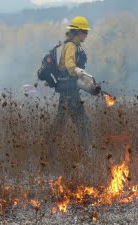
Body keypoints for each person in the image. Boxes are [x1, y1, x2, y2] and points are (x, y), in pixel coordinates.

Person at [47, 16, 92, 164]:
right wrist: (82, 74)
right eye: (85, 32)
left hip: (70, 89)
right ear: (78, 31)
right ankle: (88, 154)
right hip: (68, 90)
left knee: (63, 121)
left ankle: (49, 148)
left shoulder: (75, 45)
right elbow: (69, 66)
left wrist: (84, 79)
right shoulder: (71, 46)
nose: (86, 35)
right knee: (81, 122)